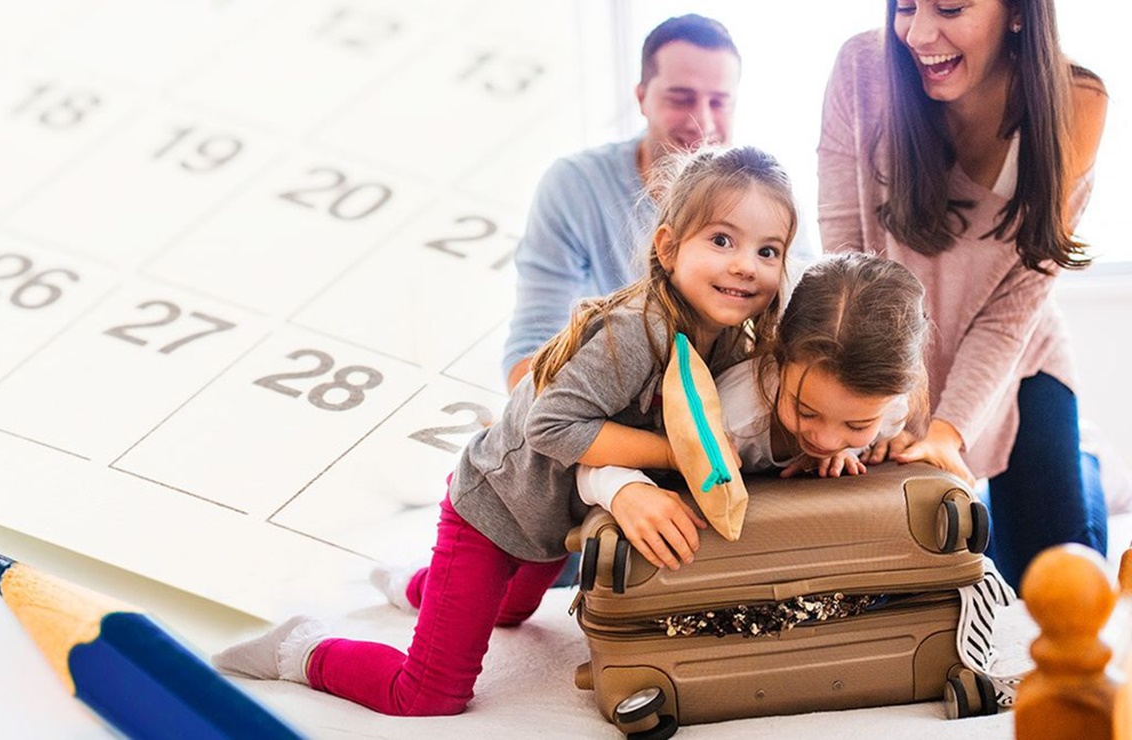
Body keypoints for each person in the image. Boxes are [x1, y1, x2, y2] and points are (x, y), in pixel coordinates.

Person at [212, 146, 798, 716]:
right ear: (668, 248)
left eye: (767, 250)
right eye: (722, 240)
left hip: (551, 522)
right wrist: (678, 453)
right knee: (428, 696)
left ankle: (418, 587)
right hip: (492, 510)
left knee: (511, 613)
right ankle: (300, 648)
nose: (747, 264)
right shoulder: (634, 332)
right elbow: (554, 425)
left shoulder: (728, 344)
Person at [817, 0, 1109, 589]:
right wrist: (882, 403)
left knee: (1056, 576)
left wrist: (948, 432)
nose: (919, 33)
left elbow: (1014, 310)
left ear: (1020, 14)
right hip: (892, 355)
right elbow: (844, 258)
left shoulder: (1076, 103)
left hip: (1016, 361)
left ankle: (1086, 459)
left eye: (950, 7)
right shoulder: (863, 69)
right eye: (905, 7)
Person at [577, 253, 931, 568]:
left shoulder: (891, 408)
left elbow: (882, 429)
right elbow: (589, 460)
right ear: (778, 360)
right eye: (806, 412)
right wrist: (623, 491)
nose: (826, 438)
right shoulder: (733, 416)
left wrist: (864, 446)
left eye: (857, 424)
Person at [502, 13, 742, 392]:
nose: (703, 123)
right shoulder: (574, 188)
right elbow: (530, 358)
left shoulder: (762, 196)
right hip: (605, 403)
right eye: (681, 99)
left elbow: (802, 324)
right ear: (642, 98)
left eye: (719, 102)